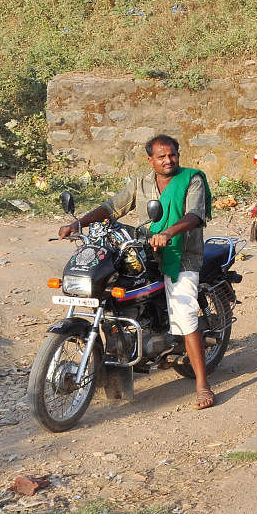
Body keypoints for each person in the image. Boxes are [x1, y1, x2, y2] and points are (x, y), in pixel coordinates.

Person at [58, 135, 215, 410]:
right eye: (162, 157)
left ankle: (202, 384)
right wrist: (77, 224)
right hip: (144, 252)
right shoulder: (141, 183)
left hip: (182, 255)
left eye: (173, 155)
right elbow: (111, 208)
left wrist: (168, 232)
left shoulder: (193, 179)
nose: (168, 161)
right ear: (150, 160)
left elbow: (195, 216)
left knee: (185, 311)